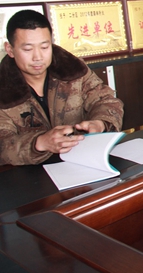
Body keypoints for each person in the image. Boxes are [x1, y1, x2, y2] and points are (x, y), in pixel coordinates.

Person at [0, 10, 124, 166]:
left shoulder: (73, 70)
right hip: (28, 174)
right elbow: (3, 145)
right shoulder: (4, 88)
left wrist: (101, 123)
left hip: (81, 162)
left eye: (44, 47)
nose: (38, 57)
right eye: (27, 49)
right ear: (10, 50)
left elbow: (106, 101)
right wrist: (38, 143)